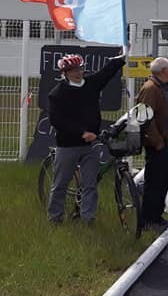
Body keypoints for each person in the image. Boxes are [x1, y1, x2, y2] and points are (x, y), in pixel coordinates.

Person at [47, 52, 125, 223]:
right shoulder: (57, 93)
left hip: (90, 145)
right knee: (60, 184)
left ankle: (87, 218)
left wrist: (121, 59)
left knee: (90, 184)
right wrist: (81, 132)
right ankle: (55, 218)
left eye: (80, 69)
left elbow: (106, 73)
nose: (78, 72)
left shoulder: (90, 84)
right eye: (73, 70)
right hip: (68, 145)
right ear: (65, 73)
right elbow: (58, 121)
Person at [137, 57, 168, 228]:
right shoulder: (151, 89)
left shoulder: (164, 88)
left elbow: (167, 111)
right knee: (155, 181)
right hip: (159, 143)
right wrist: (157, 141)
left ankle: (156, 216)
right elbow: (145, 118)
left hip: (167, 139)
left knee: (164, 178)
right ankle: (149, 219)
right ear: (164, 70)